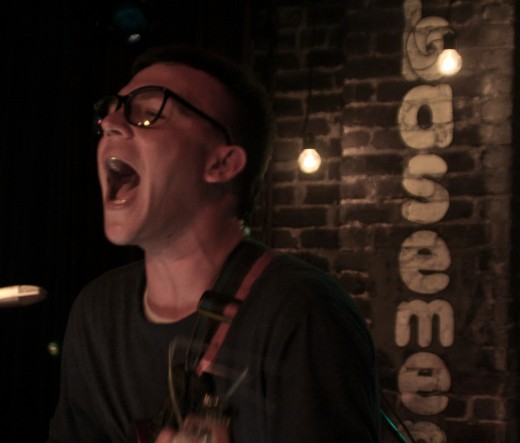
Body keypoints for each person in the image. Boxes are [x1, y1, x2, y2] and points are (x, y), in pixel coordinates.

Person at [47, 45, 380, 443]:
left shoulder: (303, 312)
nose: (111, 124)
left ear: (222, 164)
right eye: (110, 111)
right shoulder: (97, 311)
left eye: (149, 111)